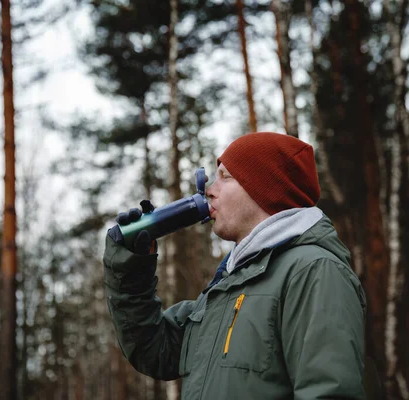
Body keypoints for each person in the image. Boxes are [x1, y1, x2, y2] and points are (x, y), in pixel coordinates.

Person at [103, 131, 367, 399]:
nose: (208, 190)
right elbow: (155, 351)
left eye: (225, 176)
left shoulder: (313, 271)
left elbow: (330, 392)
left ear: (265, 189)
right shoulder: (231, 283)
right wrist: (131, 269)